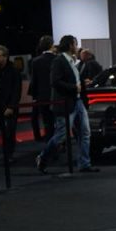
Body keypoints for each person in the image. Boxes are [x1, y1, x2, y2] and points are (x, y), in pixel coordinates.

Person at [36, 35, 97, 173]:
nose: (77, 47)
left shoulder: (71, 61)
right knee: (61, 135)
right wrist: (74, 87)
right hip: (65, 104)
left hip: (78, 102)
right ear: (70, 45)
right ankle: (42, 158)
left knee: (85, 133)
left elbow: (73, 80)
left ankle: (84, 164)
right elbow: (55, 81)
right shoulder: (59, 61)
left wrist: (81, 84)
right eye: (75, 44)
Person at [0, 45, 22, 161]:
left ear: (5, 57)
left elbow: (16, 91)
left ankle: (9, 155)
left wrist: (11, 107)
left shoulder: (14, 71)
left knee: (9, 133)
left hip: (9, 107)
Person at [29, 36, 56, 141]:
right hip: (57, 95)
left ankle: (49, 140)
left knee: (47, 121)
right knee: (58, 120)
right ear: (52, 45)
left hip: (42, 96)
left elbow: (34, 81)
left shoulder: (35, 61)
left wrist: (34, 96)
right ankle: (59, 142)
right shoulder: (57, 59)